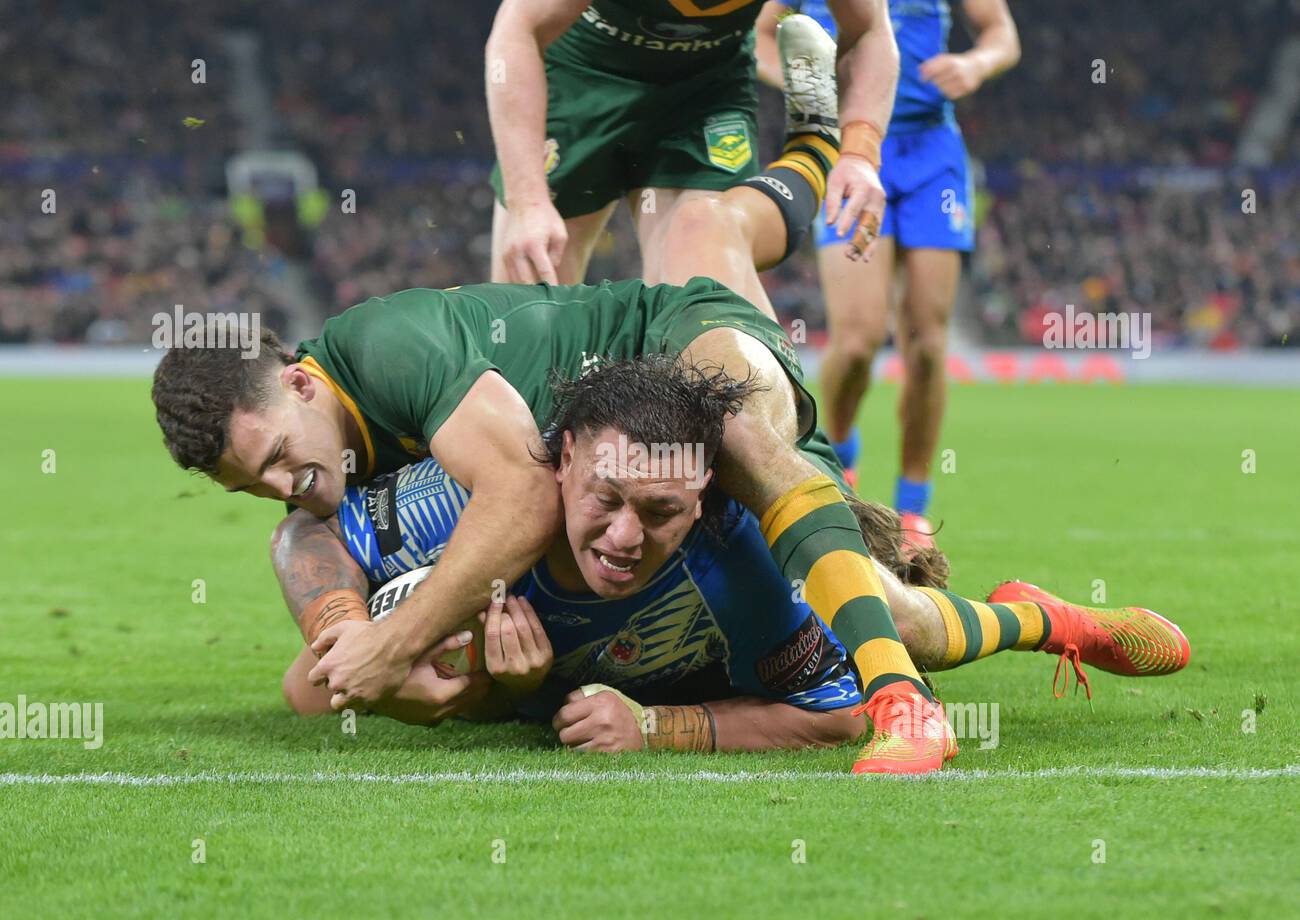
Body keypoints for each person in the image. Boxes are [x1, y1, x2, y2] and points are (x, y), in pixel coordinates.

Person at [278, 357, 1191, 764]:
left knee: (902, 623)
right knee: (309, 690)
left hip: (715, 666)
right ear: (556, 468)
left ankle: (1050, 621)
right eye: (603, 500)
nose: (624, 539)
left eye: (660, 511)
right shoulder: (460, 502)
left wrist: (660, 731)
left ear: (703, 497)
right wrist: (362, 633)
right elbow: (304, 537)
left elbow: (840, 720)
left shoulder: (739, 570)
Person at [757, 0, 1019, 543]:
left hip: (932, 154)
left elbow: (1002, 34)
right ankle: (841, 458)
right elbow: (757, 36)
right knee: (858, 341)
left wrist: (975, 64)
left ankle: (913, 508)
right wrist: (806, 87)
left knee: (926, 345)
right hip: (848, 149)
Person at [486, 3, 897, 319]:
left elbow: (868, 31)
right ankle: (815, 146)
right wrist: (528, 201)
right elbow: (517, 29)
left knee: (698, 298)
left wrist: (860, 152)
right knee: (527, 324)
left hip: (705, 87)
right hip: (578, 80)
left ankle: (759, 419)